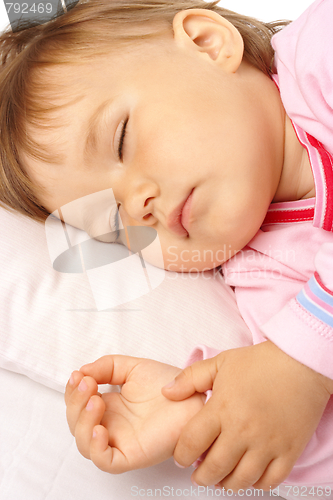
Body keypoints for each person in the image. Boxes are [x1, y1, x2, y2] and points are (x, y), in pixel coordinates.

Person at [0, 0, 333, 493]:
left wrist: (305, 346)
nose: (138, 206)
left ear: (206, 43)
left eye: (121, 140)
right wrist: (203, 412)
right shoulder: (266, 290)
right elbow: (298, 421)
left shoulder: (320, 51)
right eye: (112, 224)